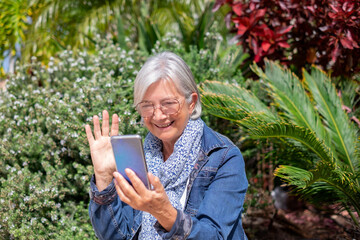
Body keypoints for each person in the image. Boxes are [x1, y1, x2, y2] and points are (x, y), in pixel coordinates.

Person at [85, 52, 248, 239]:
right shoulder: (138, 158)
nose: (159, 115)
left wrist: (163, 212)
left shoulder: (224, 158)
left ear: (191, 103)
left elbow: (214, 236)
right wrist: (104, 178)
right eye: (147, 105)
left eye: (168, 104)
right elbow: (115, 236)